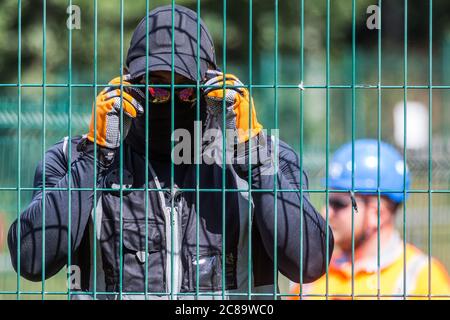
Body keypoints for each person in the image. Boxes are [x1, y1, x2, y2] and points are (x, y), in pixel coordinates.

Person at [8, 5, 332, 299]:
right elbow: (30, 261)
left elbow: (310, 263)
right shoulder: (71, 158)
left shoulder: (265, 156)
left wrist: (253, 153)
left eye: (185, 90)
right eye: (156, 88)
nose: (169, 101)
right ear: (127, 85)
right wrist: (96, 156)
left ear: (211, 87)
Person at [289, 139, 450, 300]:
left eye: (338, 204)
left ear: (377, 214)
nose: (325, 212)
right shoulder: (312, 274)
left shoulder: (422, 279)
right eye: (327, 202)